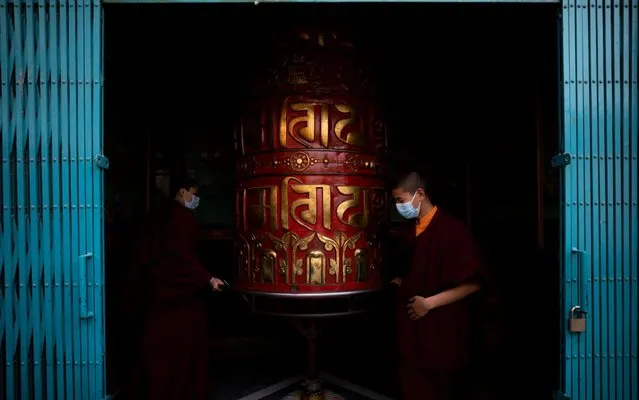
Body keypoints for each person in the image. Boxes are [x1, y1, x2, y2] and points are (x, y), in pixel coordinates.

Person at [124, 177, 225, 400]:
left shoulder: (163, 216)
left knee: (157, 349)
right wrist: (208, 279)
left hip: (159, 295)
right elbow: (181, 256)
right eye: (193, 194)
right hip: (178, 300)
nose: (196, 200)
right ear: (181, 192)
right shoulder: (179, 219)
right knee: (180, 349)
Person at [390, 171, 487, 400]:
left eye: (401, 200)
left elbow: (473, 284)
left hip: (441, 330)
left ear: (420, 194)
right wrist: (405, 282)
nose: (398, 207)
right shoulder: (411, 230)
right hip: (412, 333)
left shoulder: (452, 230)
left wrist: (429, 304)